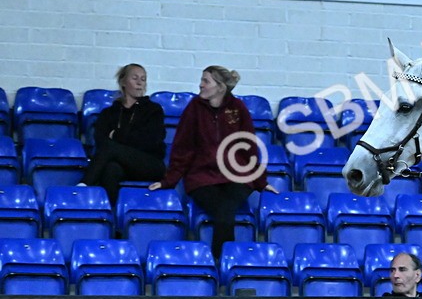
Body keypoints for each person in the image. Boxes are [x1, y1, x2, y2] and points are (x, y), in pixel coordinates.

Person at [149, 66, 276, 259]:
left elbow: (249, 148)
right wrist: (169, 180)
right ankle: (226, 263)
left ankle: (222, 263)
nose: (200, 84)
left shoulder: (238, 108)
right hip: (202, 178)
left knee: (226, 209)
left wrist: (261, 182)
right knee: (224, 210)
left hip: (237, 176)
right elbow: (182, 148)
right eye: (202, 80)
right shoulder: (194, 108)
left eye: (206, 81)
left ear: (220, 87)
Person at [81, 63, 167, 206]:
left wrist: (117, 137)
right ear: (123, 82)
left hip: (150, 164)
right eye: (135, 78)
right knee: (111, 169)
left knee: (111, 147)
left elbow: (151, 141)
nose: (140, 83)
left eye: (143, 79)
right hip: (122, 165)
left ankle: (83, 187)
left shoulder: (154, 110)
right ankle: (112, 219)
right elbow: (101, 141)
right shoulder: (109, 113)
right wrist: (131, 140)